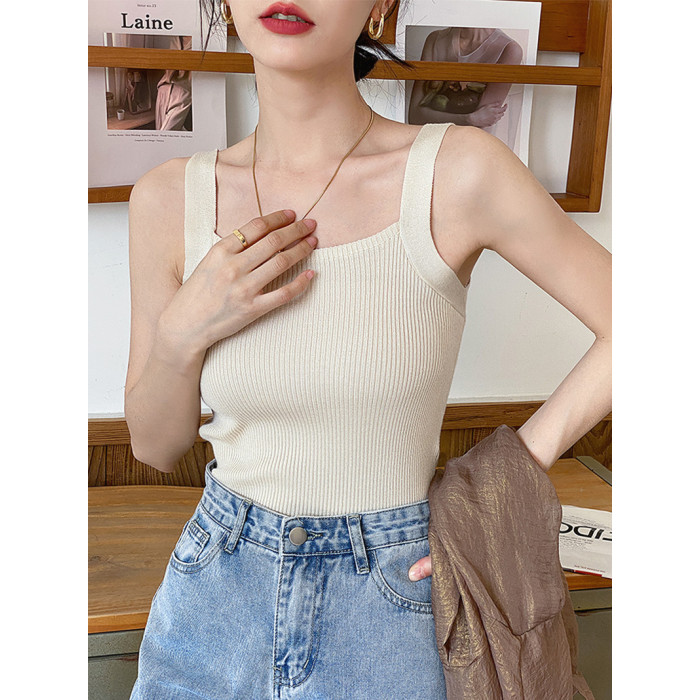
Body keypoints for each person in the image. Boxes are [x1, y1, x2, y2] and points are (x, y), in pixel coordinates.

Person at [124, 1, 612, 698]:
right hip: (214, 600)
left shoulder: (458, 170)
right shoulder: (168, 197)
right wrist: (183, 331)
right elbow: (154, 445)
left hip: (395, 604)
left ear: (381, 5)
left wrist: (494, 488)